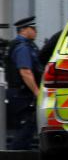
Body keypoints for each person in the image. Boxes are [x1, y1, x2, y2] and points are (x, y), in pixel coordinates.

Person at [5, 16, 41, 150]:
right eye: (33, 28)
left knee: (26, 129)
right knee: (26, 128)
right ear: (24, 30)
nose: (36, 31)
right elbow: (25, 72)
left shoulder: (25, 46)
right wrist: (36, 91)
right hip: (21, 94)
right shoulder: (23, 48)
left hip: (18, 93)